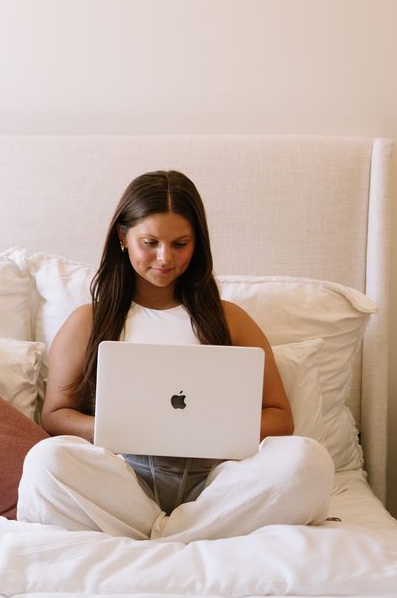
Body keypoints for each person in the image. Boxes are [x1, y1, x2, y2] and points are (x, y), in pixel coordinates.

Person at [16, 170, 334, 543]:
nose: (165, 258)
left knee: (309, 462)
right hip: (122, 478)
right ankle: (195, 532)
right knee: (45, 462)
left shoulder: (229, 319)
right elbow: (55, 415)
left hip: (219, 482)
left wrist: (211, 431)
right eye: (149, 242)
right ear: (123, 237)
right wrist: (122, 430)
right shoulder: (89, 321)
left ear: (197, 243)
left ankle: (167, 533)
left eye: (180, 244)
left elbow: (280, 417)